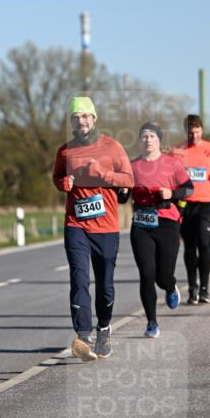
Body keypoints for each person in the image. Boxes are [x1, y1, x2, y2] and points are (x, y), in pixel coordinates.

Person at [52, 96, 134, 362]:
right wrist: (63, 183)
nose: (82, 121)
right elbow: (57, 177)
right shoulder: (65, 151)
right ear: (72, 121)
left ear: (94, 118)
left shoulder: (112, 147)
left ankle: (104, 328)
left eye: (86, 116)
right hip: (76, 223)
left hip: (107, 225)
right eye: (76, 117)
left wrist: (105, 175)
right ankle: (83, 336)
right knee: (79, 277)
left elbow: (129, 179)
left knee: (105, 284)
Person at [119, 123, 193, 338]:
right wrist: (123, 191)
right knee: (146, 274)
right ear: (140, 140)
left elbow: (189, 188)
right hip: (141, 223)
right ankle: (152, 323)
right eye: (144, 136)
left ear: (159, 140)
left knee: (162, 275)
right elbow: (122, 198)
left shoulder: (172, 163)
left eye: (152, 136)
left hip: (167, 223)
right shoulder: (132, 167)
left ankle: (170, 287)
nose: (148, 139)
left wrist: (172, 193)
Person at [171, 115, 210, 304]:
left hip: (207, 202)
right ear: (185, 132)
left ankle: (204, 288)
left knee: (204, 243)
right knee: (189, 247)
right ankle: (192, 288)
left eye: (197, 132)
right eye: (190, 133)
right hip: (186, 204)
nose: (194, 136)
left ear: (202, 130)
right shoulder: (177, 151)